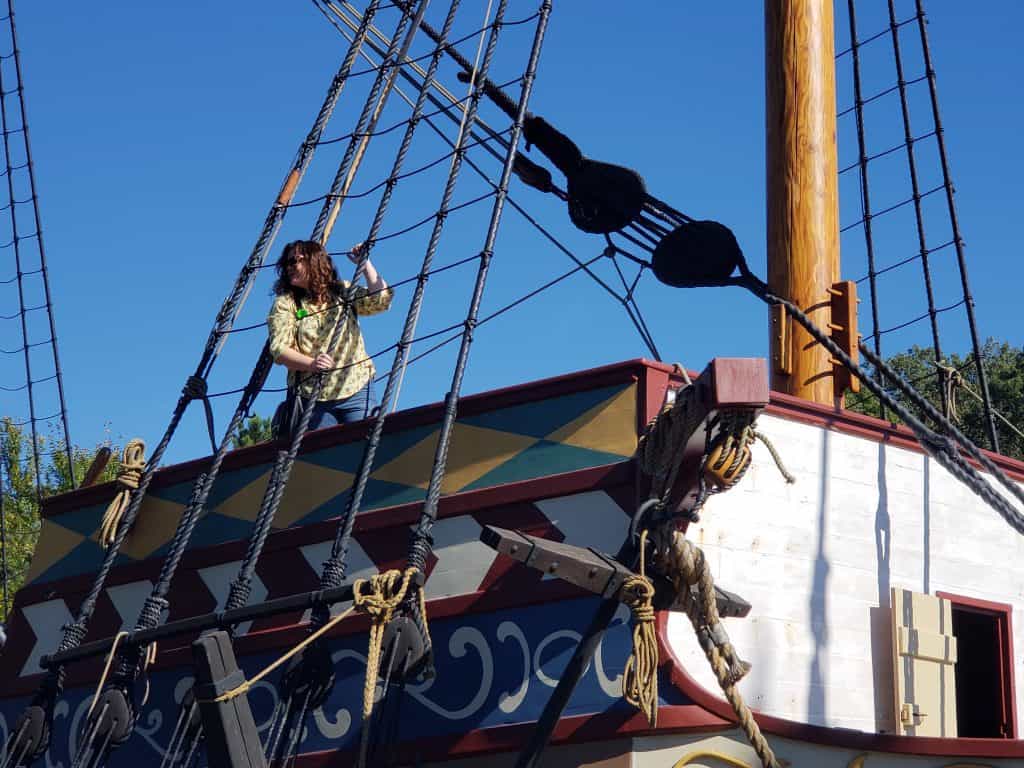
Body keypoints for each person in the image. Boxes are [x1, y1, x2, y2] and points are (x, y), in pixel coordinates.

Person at [267, 239, 392, 431]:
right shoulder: (287, 303)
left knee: (366, 445)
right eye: (286, 263)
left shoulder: (341, 291)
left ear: (313, 261)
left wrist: (364, 264)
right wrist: (312, 364)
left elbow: (379, 300)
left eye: (294, 261)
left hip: (356, 386)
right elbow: (279, 349)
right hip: (313, 396)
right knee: (321, 454)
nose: (289, 267)